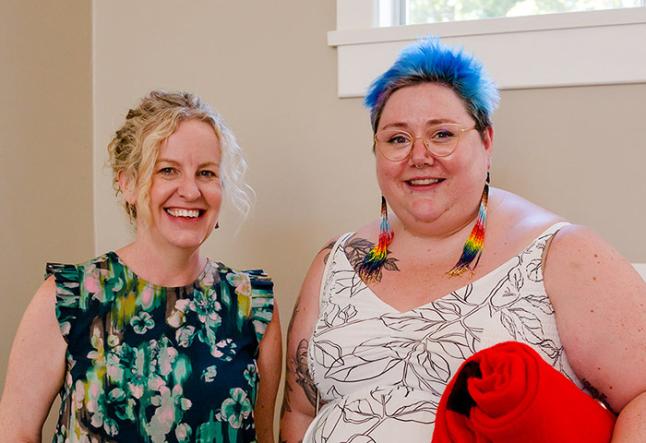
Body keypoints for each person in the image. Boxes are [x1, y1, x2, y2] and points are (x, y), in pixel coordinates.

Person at [279, 38, 646, 442]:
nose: (419, 156)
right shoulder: (334, 263)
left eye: (442, 134)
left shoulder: (562, 254)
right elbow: (300, 411)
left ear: (486, 142)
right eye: (397, 139)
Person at [0, 91, 281, 442]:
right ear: (127, 183)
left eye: (206, 173)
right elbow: (16, 433)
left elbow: (264, 436)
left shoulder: (250, 305)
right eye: (168, 170)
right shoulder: (68, 298)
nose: (191, 191)